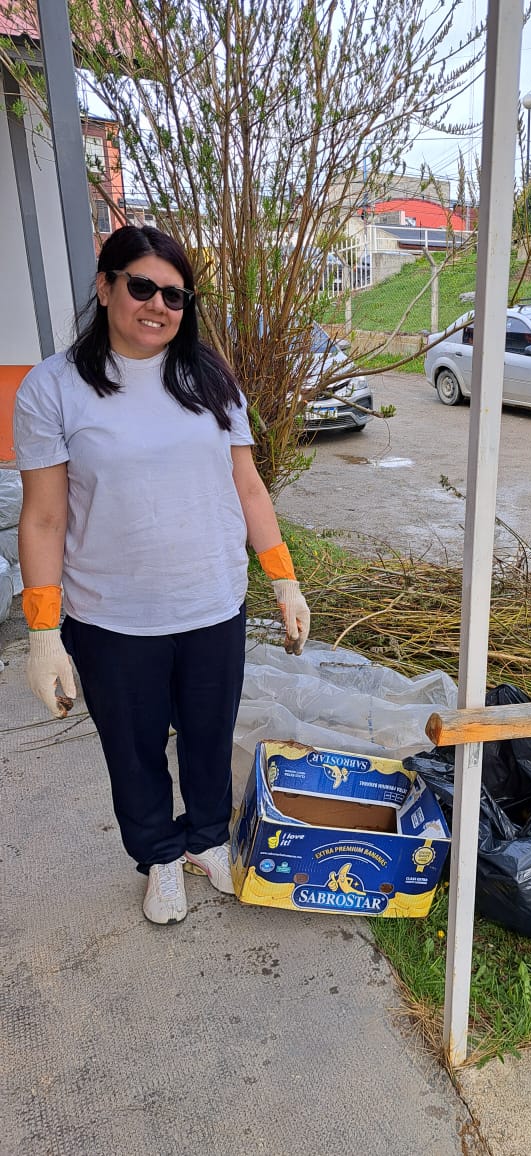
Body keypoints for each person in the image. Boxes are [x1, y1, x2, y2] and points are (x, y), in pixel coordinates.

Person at [14, 225, 310, 926]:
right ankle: (158, 856)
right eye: (142, 286)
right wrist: (43, 632)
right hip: (111, 617)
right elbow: (44, 518)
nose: (158, 306)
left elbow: (248, 488)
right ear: (104, 286)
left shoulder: (210, 378)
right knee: (134, 749)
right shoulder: (53, 388)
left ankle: (206, 841)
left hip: (212, 603)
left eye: (174, 295)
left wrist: (283, 578)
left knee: (209, 737)